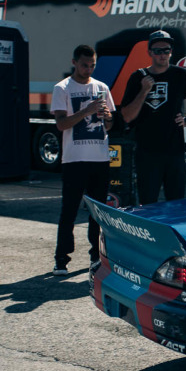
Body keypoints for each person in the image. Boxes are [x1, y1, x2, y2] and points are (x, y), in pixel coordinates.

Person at [119, 30, 186, 204]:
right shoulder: (138, 77)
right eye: (158, 51)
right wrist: (144, 91)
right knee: (148, 204)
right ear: (150, 52)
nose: (162, 54)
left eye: (166, 50)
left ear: (171, 52)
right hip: (147, 153)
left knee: (176, 204)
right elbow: (127, 116)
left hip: (175, 152)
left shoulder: (180, 75)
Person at [51, 45, 114, 276]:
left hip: (99, 158)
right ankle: (61, 258)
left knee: (97, 212)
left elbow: (110, 125)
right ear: (74, 63)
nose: (88, 69)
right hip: (74, 159)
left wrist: (107, 117)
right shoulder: (62, 88)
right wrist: (86, 111)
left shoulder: (102, 87)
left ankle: (96, 255)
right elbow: (61, 124)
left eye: (92, 65)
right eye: (84, 65)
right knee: (69, 210)